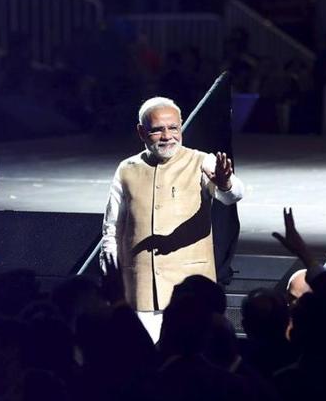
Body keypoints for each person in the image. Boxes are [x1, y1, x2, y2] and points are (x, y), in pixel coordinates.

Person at [101, 96, 244, 341]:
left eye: (173, 128)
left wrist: (225, 182)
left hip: (189, 292)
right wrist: (110, 273)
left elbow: (233, 195)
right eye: (157, 130)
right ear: (141, 132)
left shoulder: (201, 161)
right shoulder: (127, 169)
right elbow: (112, 229)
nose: (167, 136)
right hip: (140, 290)